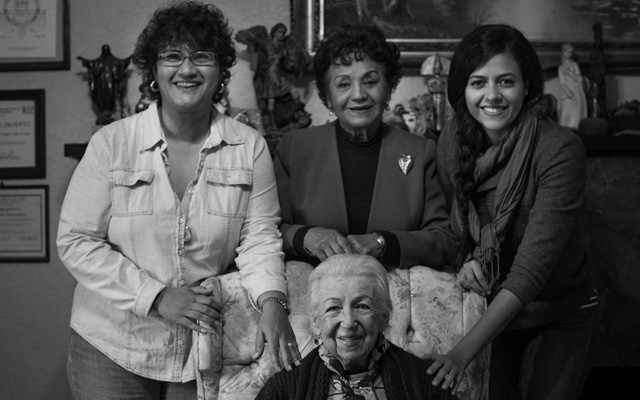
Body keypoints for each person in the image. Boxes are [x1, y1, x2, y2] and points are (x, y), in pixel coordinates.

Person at [57, 2, 301, 399]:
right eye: (172, 56)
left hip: (199, 347)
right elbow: (76, 241)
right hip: (110, 343)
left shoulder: (249, 146)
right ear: (153, 70)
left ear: (221, 71)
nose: (186, 69)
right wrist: (156, 297)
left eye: (201, 57)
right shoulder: (111, 143)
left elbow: (258, 237)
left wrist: (273, 301)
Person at [430, 24, 597, 399]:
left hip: (559, 310)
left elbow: (529, 272)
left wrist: (460, 355)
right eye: (478, 83)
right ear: (462, 89)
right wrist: (465, 260)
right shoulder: (452, 139)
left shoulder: (559, 149)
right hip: (491, 311)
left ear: (527, 86)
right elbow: (453, 224)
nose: (492, 95)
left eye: (506, 81)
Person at [274, 24, 458, 269]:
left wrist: (384, 243)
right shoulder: (294, 148)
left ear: (389, 89)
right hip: (314, 287)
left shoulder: (421, 151)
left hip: (393, 289)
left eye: (370, 81)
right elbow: (267, 230)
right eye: (343, 84)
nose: (359, 94)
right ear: (327, 96)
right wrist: (304, 236)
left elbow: (444, 240)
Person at [256, 254, 457, 399]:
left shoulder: (425, 382)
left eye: (362, 306)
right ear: (316, 322)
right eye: (333, 308)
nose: (349, 322)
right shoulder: (284, 389)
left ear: (383, 318)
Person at [557, 43, 587, 130]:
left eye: (571, 52)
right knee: (565, 117)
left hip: (576, 91)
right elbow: (562, 83)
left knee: (576, 116)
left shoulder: (574, 65)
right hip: (567, 93)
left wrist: (569, 73)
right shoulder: (561, 67)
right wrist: (570, 94)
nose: (569, 54)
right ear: (562, 52)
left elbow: (580, 79)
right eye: (567, 52)